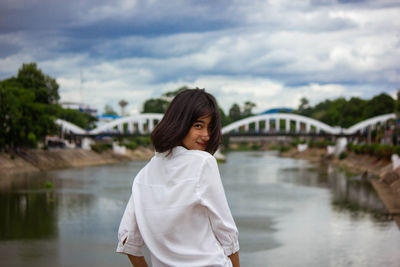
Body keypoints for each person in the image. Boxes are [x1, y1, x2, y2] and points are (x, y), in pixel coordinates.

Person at [116, 88, 240, 267]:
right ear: (180, 123)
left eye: (210, 128)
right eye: (198, 125)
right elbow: (227, 234)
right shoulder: (203, 161)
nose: (206, 135)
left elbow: (127, 240)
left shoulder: (144, 173)